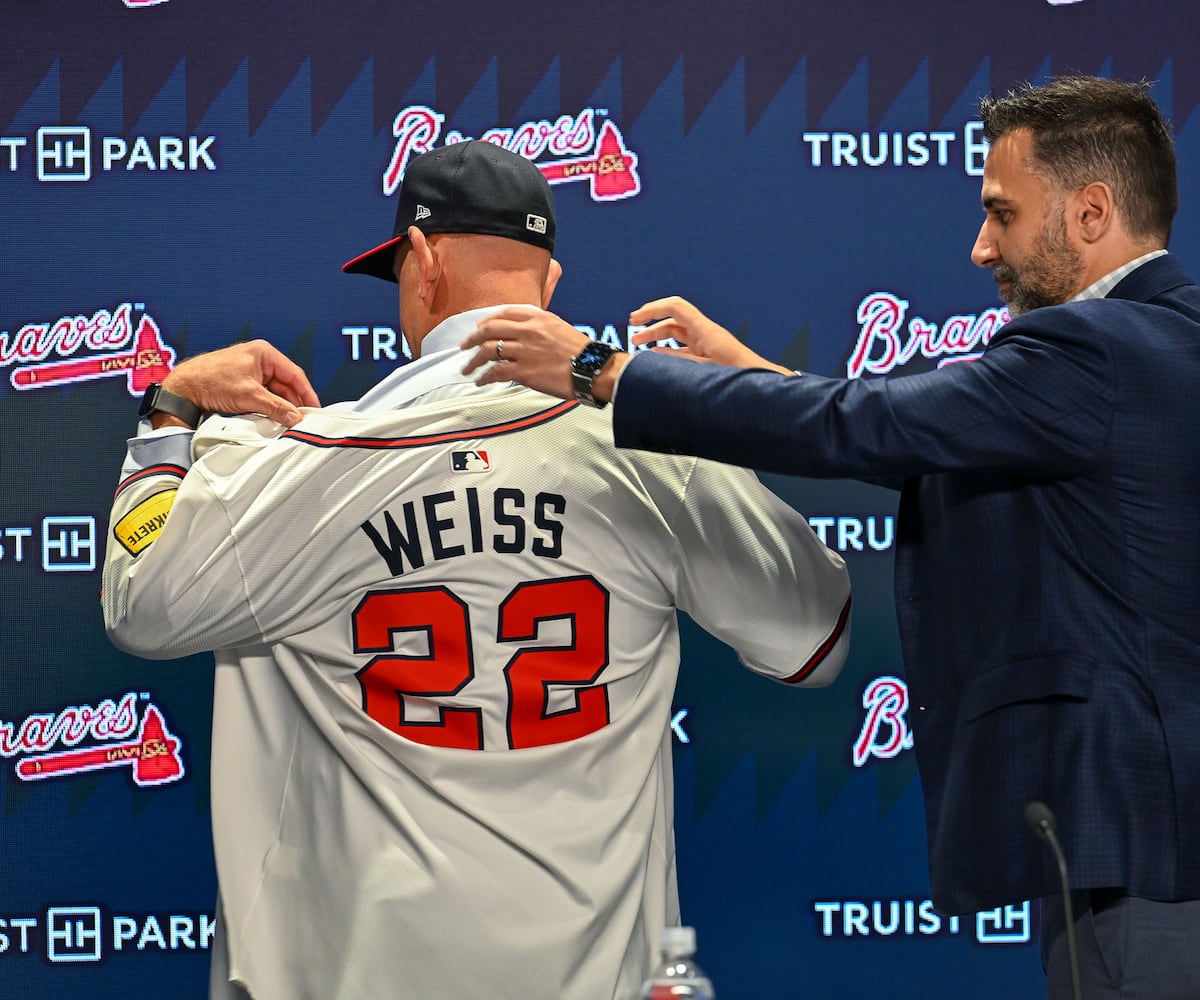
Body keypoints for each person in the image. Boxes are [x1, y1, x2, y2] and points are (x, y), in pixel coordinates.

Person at [463, 76, 1200, 999]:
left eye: (1004, 213)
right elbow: (926, 440)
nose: (982, 245)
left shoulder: (1097, 350)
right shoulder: (1184, 338)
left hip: (1160, 858)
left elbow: (872, 424)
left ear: (1093, 211)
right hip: (1184, 854)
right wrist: (748, 371)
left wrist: (601, 370)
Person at [101, 140, 852, 1000]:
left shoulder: (297, 461)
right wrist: (727, 412)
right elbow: (815, 640)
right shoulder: (654, 442)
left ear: (420, 262)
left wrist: (171, 410)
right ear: (551, 282)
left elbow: (139, 600)